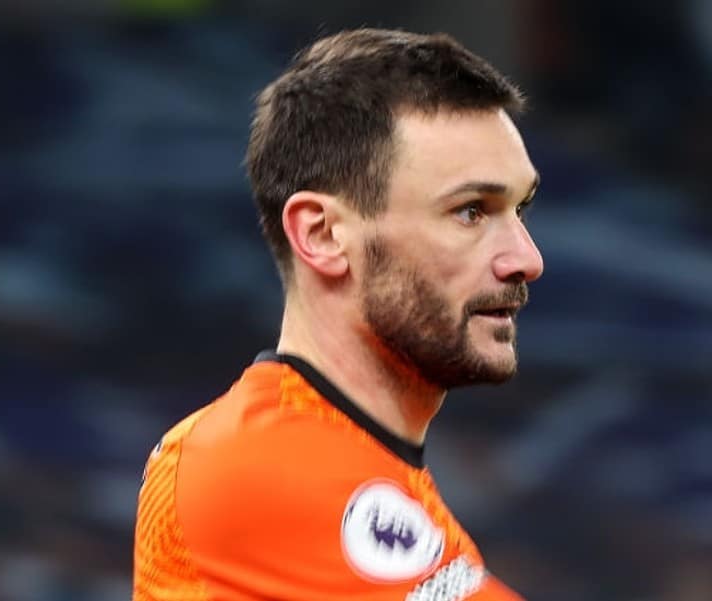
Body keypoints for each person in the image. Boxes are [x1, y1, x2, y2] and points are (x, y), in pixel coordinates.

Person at [133, 27, 543, 601]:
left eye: (520, 208)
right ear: (323, 235)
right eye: (471, 211)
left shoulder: (368, 469)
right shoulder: (251, 463)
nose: (527, 259)